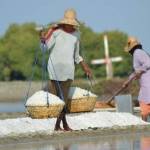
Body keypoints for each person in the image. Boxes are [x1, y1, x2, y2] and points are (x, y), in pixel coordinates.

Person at [40, 8, 92, 131]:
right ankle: (62, 124)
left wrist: (86, 67)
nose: (69, 26)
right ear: (64, 23)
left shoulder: (77, 35)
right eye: (67, 23)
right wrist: (42, 38)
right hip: (54, 69)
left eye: (71, 24)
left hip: (68, 70)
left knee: (63, 98)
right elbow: (45, 48)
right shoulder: (55, 32)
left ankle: (60, 124)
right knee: (58, 99)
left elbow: (77, 55)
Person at [123, 36, 150, 121]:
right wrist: (128, 81)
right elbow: (136, 72)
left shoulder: (137, 53)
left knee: (144, 106)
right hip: (146, 84)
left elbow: (148, 63)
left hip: (147, 84)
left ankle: (144, 127)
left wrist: (140, 71)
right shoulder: (139, 53)